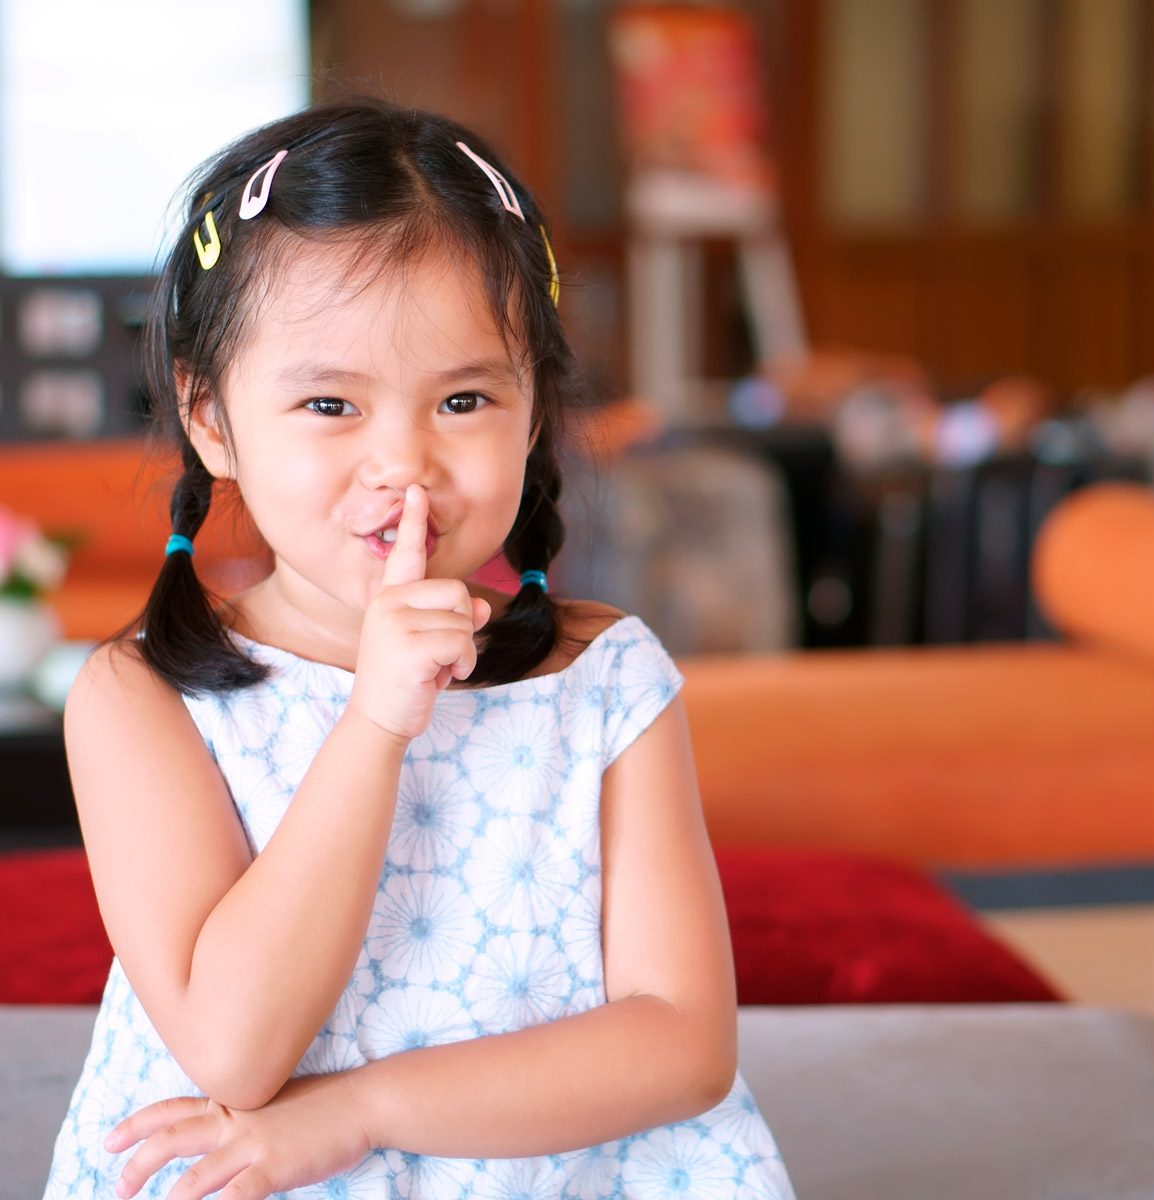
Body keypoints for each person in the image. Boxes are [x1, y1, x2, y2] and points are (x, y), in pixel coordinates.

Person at [43, 98, 795, 1200]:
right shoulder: (139, 697)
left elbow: (685, 1047)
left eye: (464, 398)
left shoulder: (602, 677)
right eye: (329, 403)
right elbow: (234, 1051)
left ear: (534, 411)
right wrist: (375, 725)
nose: (403, 463)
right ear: (211, 422)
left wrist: (363, 1110)